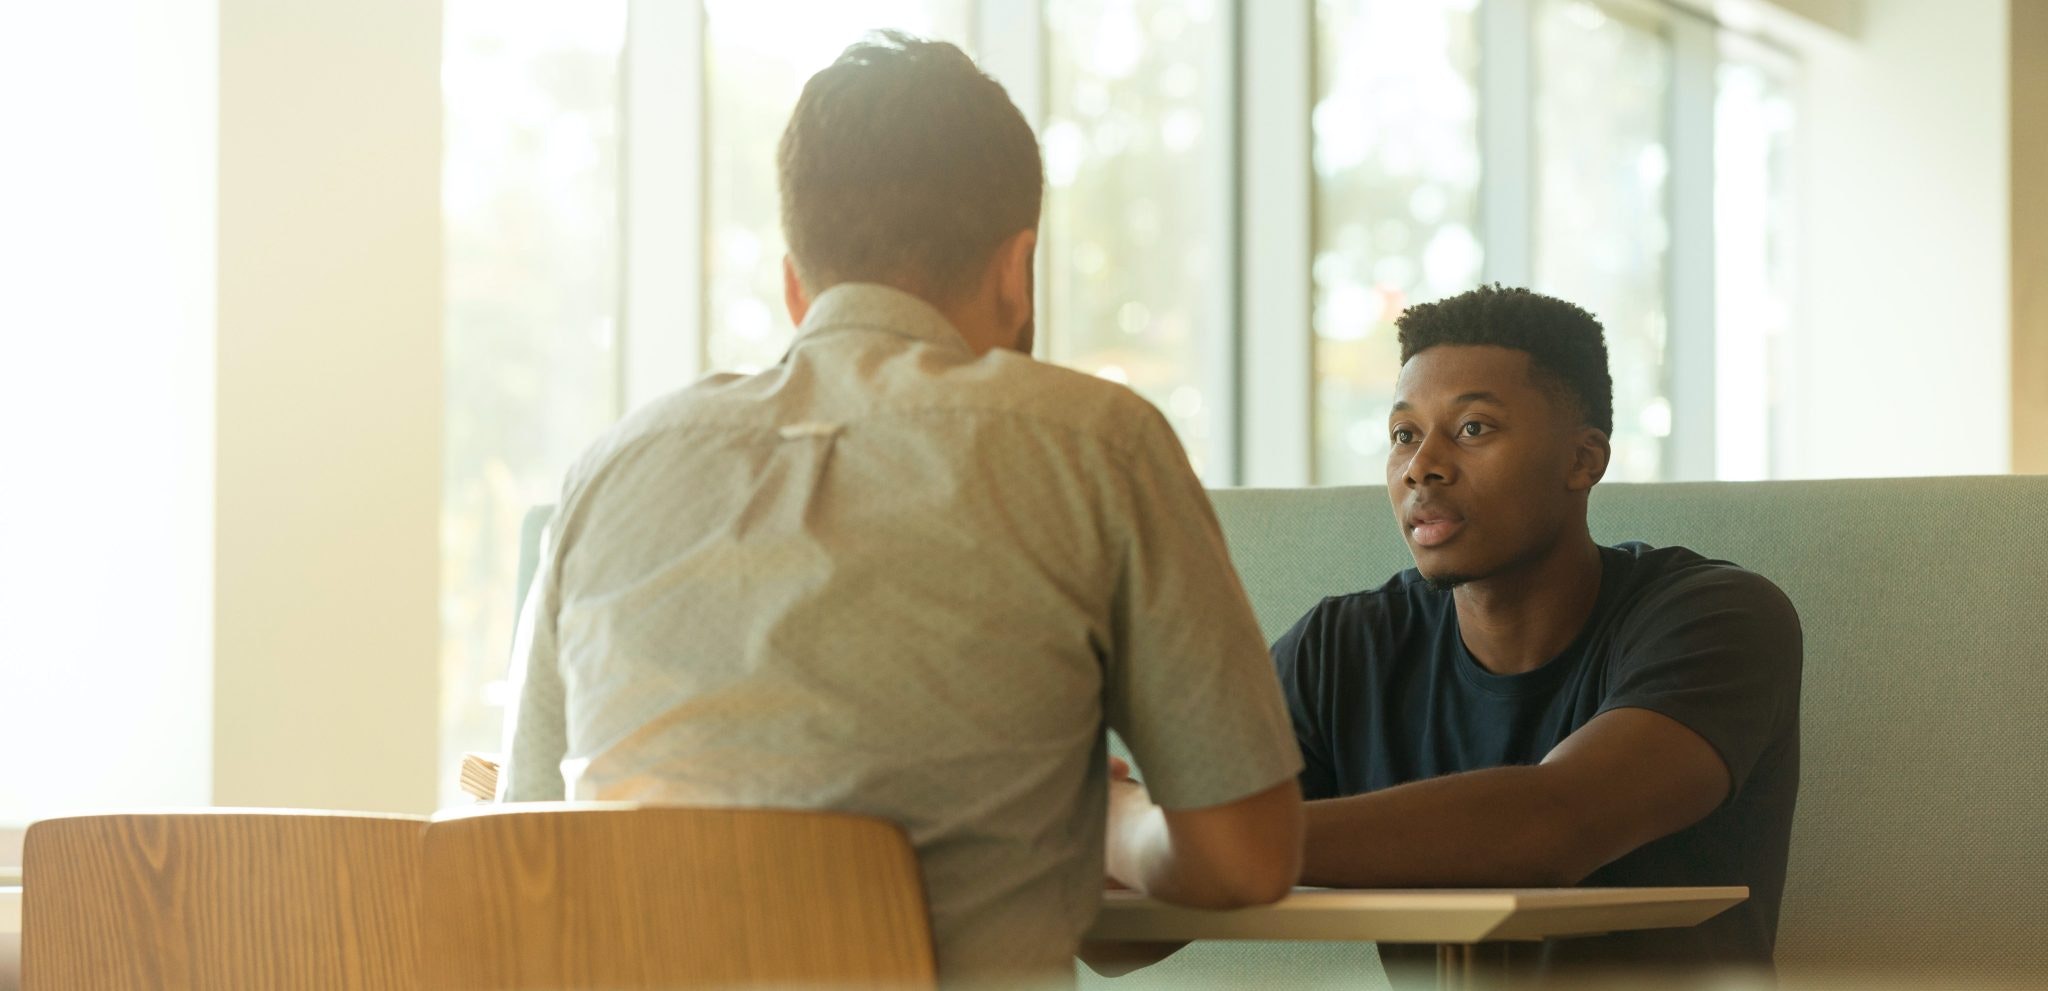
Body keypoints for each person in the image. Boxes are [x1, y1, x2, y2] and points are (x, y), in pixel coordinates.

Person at [497, 32, 1303, 988]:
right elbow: (1245, 858)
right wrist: (1115, 822)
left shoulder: (608, 472)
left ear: (796, 285)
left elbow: (519, 852)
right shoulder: (1098, 444)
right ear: (1018, 271)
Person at [1272, 285, 1802, 985]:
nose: (1421, 465)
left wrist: (1205, 840)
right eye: (1404, 434)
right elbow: (1141, 913)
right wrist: (1147, 831)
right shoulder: (1340, 649)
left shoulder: (1719, 618)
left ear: (1583, 460)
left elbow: (1551, 827)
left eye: (1473, 428)